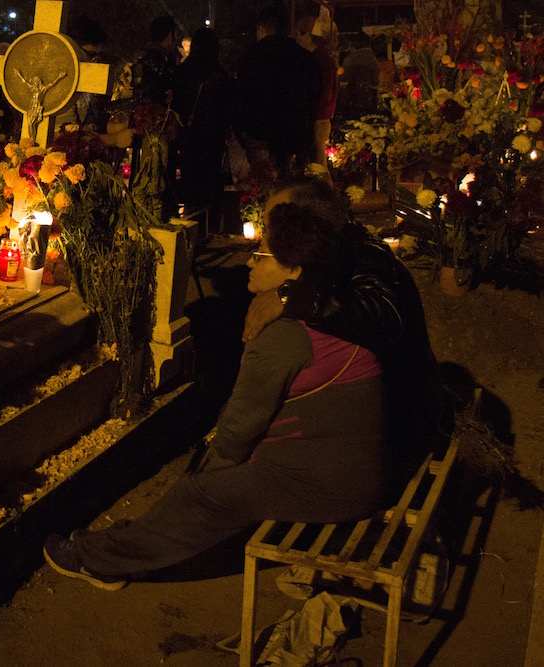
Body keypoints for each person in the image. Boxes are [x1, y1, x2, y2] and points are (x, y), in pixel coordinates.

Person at [43, 195, 389, 588]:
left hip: (333, 483)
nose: (248, 262)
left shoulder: (284, 336)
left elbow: (242, 424)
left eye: (260, 255)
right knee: (212, 476)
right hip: (340, 462)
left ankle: (99, 560)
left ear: (294, 269)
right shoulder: (329, 308)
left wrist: (213, 474)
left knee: (203, 494)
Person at [242, 177, 453, 478]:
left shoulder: (363, 254)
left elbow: (383, 315)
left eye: (276, 224)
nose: (269, 237)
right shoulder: (329, 250)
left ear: (308, 220)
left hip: (399, 424)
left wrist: (289, 296)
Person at [235, 3, 320, 178]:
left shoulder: (251, 56)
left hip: (258, 130)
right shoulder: (302, 57)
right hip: (291, 131)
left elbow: (241, 94)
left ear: (261, 29)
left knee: (261, 182)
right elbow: (314, 92)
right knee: (288, 183)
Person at [169, 27, 232, 218]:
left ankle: (192, 223)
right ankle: (211, 225)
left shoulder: (182, 72)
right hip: (213, 138)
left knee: (189, 180)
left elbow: (176, 104)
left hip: (189, 136)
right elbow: (227, 107)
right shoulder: (219, 75)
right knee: (211, 181)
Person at [296, 13, 339, 172]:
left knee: (319, 167)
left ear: (306, 36)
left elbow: (325, 93)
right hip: (322, 117)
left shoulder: (318, 59)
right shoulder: (323, 57)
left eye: (298, 35)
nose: (297, 40)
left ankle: (326, 194)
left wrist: (309, 107)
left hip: (318, 119)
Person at [132, 15, 179, 107]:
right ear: (170, 36)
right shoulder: (160, 60)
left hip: (139, 115)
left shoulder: (142, 55)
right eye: (176, 35)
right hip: (157, 117)